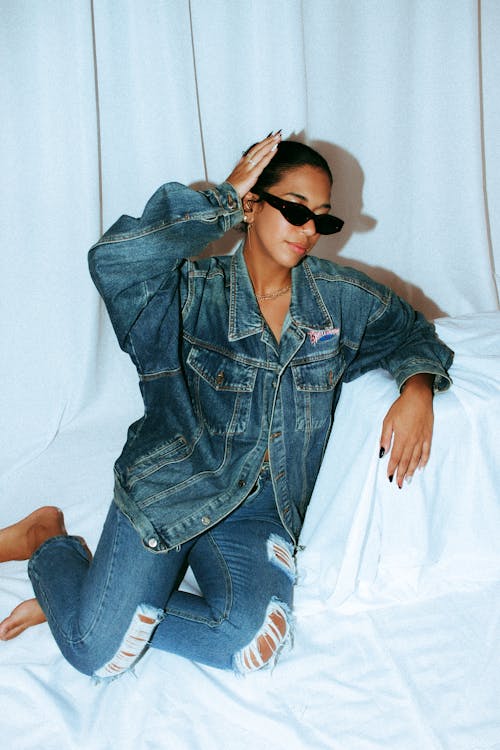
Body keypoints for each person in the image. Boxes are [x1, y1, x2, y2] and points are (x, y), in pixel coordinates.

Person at [0, 133, 453, 677]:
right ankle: (45, 539)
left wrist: (417, 388)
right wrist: (219, 200)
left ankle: (90, 606)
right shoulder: (190, 293)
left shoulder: (340, 300)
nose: (309, 230)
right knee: (96, 656)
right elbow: (114, 260)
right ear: (254, 206)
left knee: (251, 643)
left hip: (261, 512)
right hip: (176, 489)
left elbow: (414, 333)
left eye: (323, 220)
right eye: (294, 210)